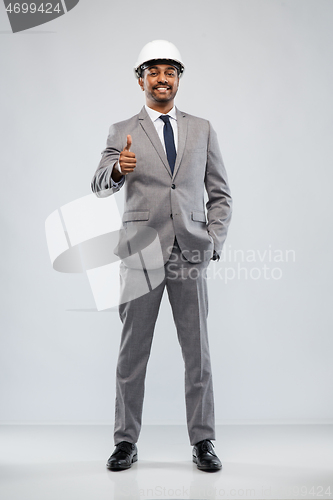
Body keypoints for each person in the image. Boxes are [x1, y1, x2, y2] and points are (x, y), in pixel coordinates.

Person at [91, 40, 232, 472]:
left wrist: (213, 240)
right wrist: (119, 169)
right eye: (153, 71)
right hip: (140, 255)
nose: (162, 78)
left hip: (190, 253)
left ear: (178, 79)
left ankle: (203, 441)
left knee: (198, 354)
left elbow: (220, 193)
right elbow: (98, 183)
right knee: (132, 354)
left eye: (170, 71)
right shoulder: (122, 130)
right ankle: (125, 442)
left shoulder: (202, 128)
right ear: (141, 80)